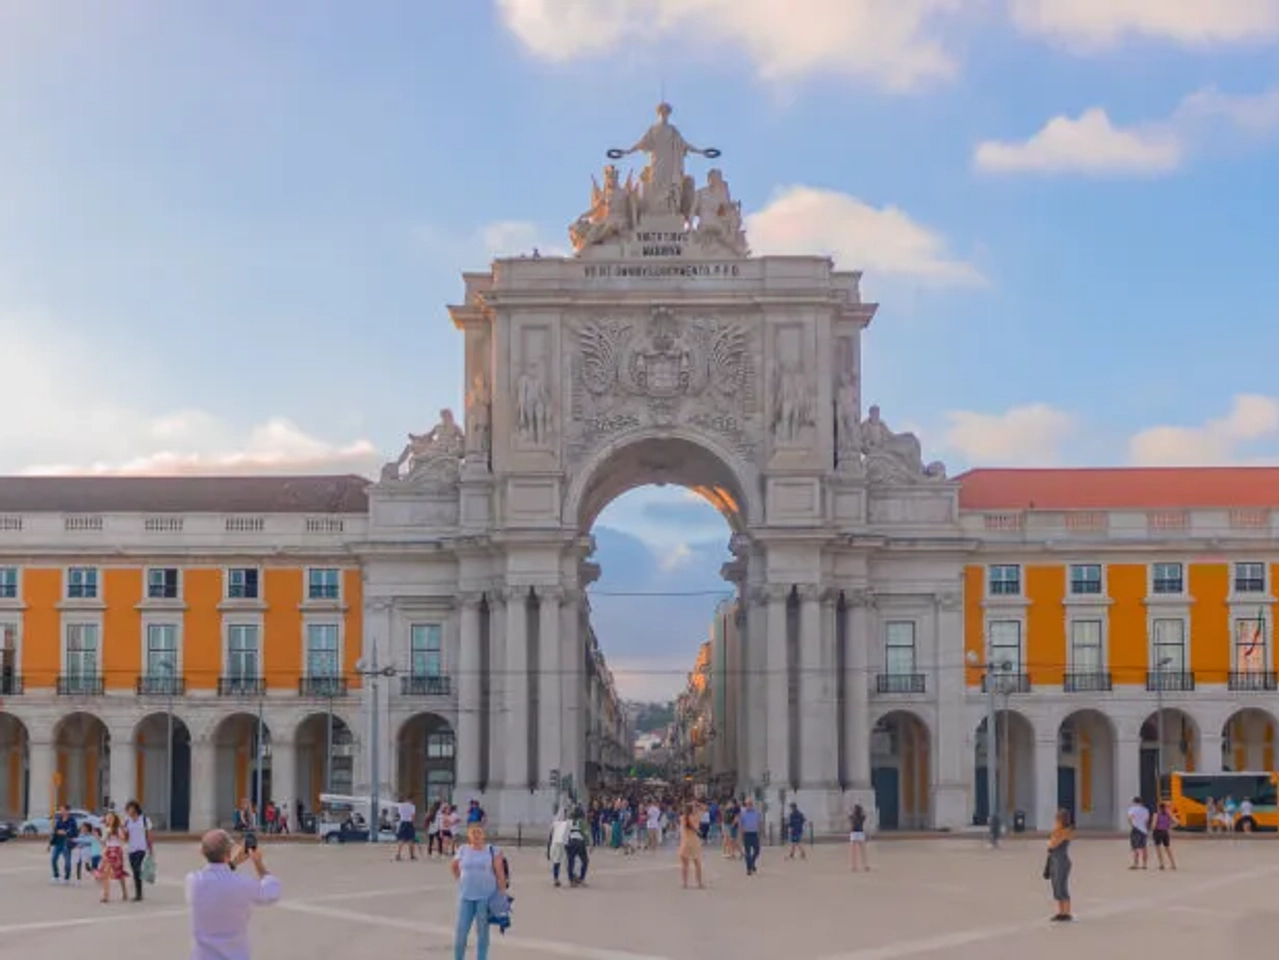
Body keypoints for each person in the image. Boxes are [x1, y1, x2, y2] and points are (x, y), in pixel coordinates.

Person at [186, 829, 281, 960]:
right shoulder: (243, 883)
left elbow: (216, 877)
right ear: (228, 854)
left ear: (202, 852)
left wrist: (233, 863)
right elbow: (272, 893)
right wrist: (258, 863)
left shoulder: (193, 881)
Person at [451, 823, 508, 960]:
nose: (476, 835)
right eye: (473, 832)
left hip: (486, 897)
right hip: (466, 896)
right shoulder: (463, 849)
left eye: (479, 832)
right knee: (461, 932)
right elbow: (454, 867)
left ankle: (482, 958)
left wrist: (502, 896)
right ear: (469, 835)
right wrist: (462, 880)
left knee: (482, 932)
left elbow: (500, 874)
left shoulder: (492, 850)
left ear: (483, 834)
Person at [1046, 809, 1073, 922]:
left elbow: (1053, 844)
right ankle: (1061, 912)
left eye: (1057, 819)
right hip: (1055, 860)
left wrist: (1054, 836)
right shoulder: (1058, 831)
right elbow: (1050, 844)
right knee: (1056, 886)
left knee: (1062, 886)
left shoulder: (1066, 831)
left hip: (1062, 861)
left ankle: (1066, 913)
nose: (1056, 821)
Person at [124, 801, 153, 901]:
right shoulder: (127, 821)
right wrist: (124, 832)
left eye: (130, 808)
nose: (128, 811)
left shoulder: (145, 820)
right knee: (135, 871)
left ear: (135, 809)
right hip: (131, 849)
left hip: (141, 848)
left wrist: (150, 848)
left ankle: (139, 894)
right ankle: (138, 892)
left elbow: (149, 834)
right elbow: (126, 838)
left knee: (137, 869)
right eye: (127, 809)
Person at [100, 811, 130, 903]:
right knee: (105, 873)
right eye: (107, 818)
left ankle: (124, 892)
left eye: (111, 818)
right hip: (108, 851)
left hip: (116, 851)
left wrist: (116, 834)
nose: (109, 820)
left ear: (114, 819)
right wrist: (105, 837)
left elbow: (124, 840)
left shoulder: (118, 828)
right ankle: (106, 895)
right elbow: (103, 842)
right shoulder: (105, 828)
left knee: (119, 873)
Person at [678, 802, 704, 889]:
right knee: (697, 864)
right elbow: (704, 808)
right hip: (694, 842)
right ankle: (699, 883)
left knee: (684, 865)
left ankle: (685, 883)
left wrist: (689, 806)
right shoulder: (695, 817)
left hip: (685, 842)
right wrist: (697, 803)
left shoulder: (682, 818)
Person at [49, 804, 76, 884]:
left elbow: (72, 831)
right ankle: (56, 876)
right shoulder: (59, 819)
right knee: (53, 859)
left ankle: (67, 878)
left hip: (66, 843)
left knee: (67, 862)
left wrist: (64, 832)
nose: (61, 811)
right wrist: (50, 844)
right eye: (60, 810)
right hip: (58, 842)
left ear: (67, 810)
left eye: (62, 809)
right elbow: (55, 830)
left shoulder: (72, 820)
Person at [566, 806, 590, 887]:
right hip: (579, 842)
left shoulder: (569, 821)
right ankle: (581, 879)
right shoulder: (582, 821)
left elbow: (566, 832)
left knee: (570, 862)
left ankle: (571, 881)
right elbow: (585, 833)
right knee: (585, 861)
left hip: (570, 842)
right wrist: (589, 844)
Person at [72, 820, 103, 884]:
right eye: (82, 827)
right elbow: (79, 842)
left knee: (87, 867)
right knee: (79, 864)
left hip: (87, 852)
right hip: (80, 852)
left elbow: (87, 841)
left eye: (84, 827)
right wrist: (77, 844)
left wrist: (75, 840)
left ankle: (97, 875)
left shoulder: (90, 835)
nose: (83, 828)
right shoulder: (80, 834)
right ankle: (78, 879)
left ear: (88, 828)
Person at [547, 809, 569, 887]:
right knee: (558, 862)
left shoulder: (557, 823)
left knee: (559, 862)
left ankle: (557, 879)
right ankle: (556, 879)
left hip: (559, 845)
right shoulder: (560, 823)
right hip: (558, 846)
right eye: (566, 814)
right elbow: (551, 835)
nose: (566, 815)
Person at [1152, 802, 1177, 870]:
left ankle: (1161, 864)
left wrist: (1153, 830)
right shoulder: (1168, 814)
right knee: (1167, 848)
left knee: (1158, 849)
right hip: (1165, 832)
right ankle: (1173, 864)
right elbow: (1177, 822)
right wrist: (1169, 827)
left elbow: (1153, 825)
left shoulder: (1156, 814)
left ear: (1159, 808)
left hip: (1158, 832)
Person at [739, 797, 761, 876]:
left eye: (750, 804)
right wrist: (741, 835)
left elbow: (758, 823)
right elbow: (741, 825)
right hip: (746, 834)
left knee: (757, 851)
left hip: (754, 834)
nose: (749, 805)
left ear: (752, 804)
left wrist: (759, 833)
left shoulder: (756, 813)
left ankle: (751, 863)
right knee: (747, 852)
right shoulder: (743, 813)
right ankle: (749, 869)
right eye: (747, 804)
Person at [1126, 797, 1150, 870]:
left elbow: (1129, 818)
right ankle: (1144, 865)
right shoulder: (1146, 810)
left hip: (1136, 829)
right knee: (1144, 847)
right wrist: (1145, 829)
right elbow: (1146, 821)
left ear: (1134, 802)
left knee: (1135, 847)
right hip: (1144, 830)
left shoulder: (1132, 809)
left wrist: (1133, 826)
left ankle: (1136, 864)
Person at [394, 795, 418, 862]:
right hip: (409, 823)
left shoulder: (401, 805)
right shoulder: (412, 806)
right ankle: (412, 855)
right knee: (411, 839)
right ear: (411, 800)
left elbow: (399, 814)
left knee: (401, 839)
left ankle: (398, 854)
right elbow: (413, 816)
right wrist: (413, 825)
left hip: (402, 822)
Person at [849, 803, 870, 872]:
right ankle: (865, 865)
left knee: (854, 851)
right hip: (860, 832)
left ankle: (854, 865)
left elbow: (849, 817)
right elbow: (865, 815)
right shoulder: (862, 817)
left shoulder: (852, 817)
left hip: (854, 833)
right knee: (863, 850)